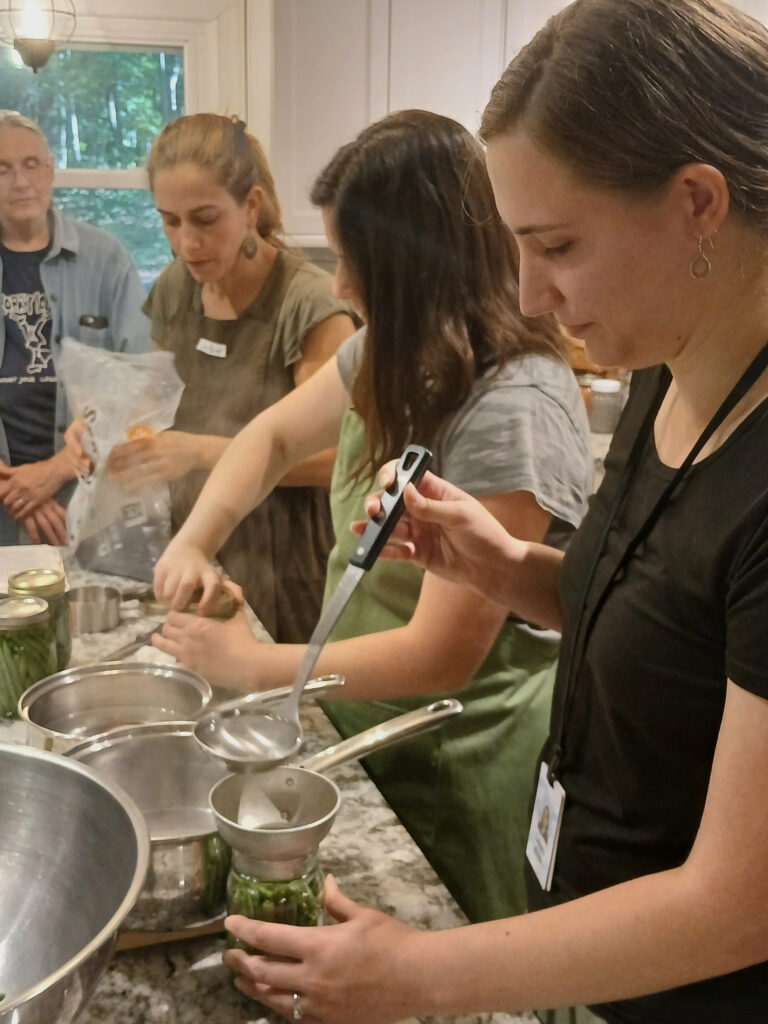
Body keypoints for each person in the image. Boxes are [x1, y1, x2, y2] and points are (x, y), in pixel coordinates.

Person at [217, 1, 768, 1022]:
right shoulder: (670, 357)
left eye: (556, 244)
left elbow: (740, 899)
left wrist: (422, 972)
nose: (531, 290)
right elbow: (674, 623)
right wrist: (504, 564)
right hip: (593, 954)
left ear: (698, 203)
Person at [152, 109, 592, 924]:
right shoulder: (391, 346)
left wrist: (252, 665)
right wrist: (193, 541)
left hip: (458, 753)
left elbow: (441, 656)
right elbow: (274, 436)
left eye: (357, 263)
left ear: (420, 261)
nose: (342, 287)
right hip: (358, 717)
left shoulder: (513, 405)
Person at [106, 113, 356, 642]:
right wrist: (106, 430)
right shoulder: (176, 287)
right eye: (169, 221)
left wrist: (199, 451)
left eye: (204, 219)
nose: (186, 243)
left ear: (251, 206)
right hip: (194, 553)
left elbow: (338, 460)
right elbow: (153, 405)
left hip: (288, 569)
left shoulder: (308, 303)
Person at [0, 109, 151, 546]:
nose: (20, 181)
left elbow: (136, 380)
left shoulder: (105, 259)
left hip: (89, 499)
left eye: (31, 164)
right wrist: (17, 490)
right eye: (2, 169)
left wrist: (58, 469)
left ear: (49, 170)